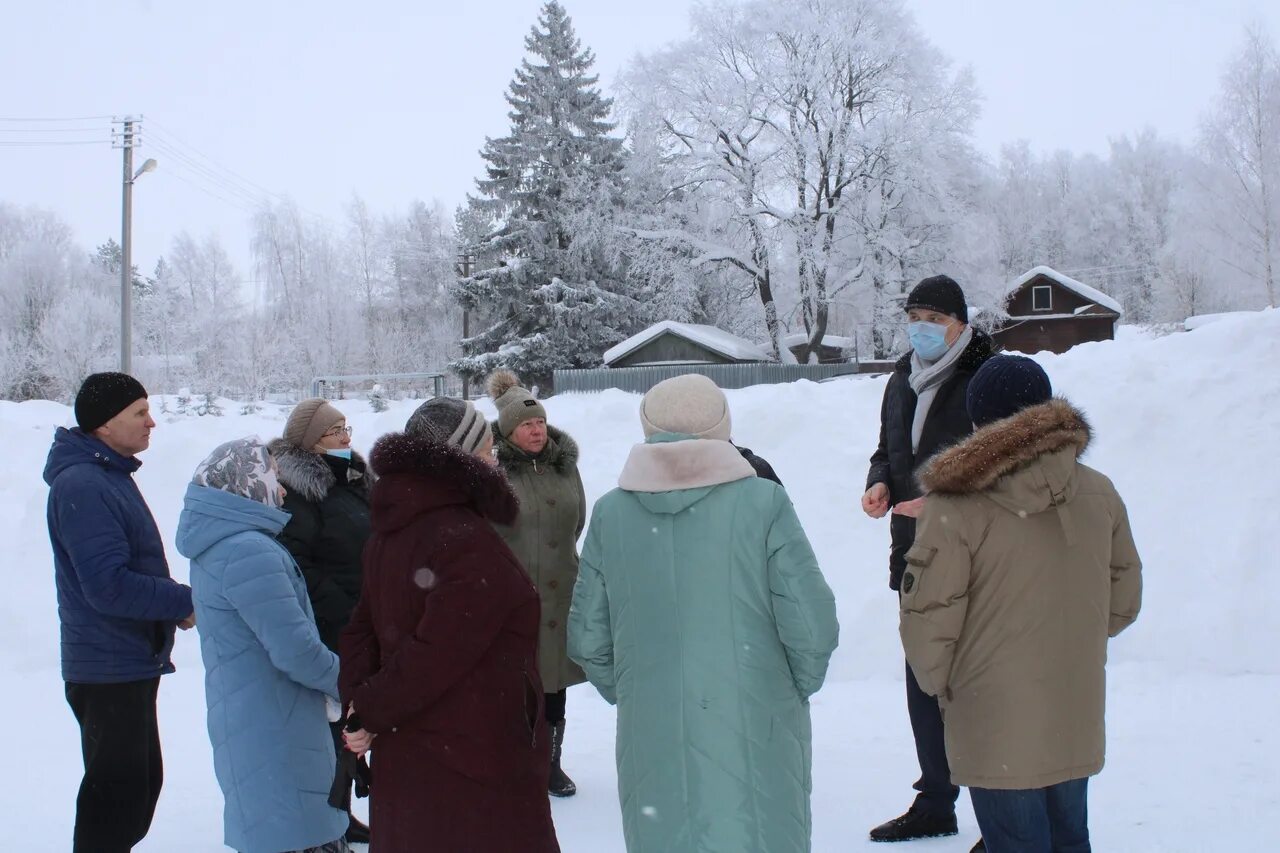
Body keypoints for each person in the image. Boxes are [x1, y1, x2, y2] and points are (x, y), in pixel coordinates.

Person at [569, 374, 839, 853]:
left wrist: (636, 690)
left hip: (651, 724)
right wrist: (788, 687)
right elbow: (811, 621)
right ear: (720, 426)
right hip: (758, 717)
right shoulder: (762, 501)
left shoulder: (612, 513)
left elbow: (588, 635)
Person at [900, 355, 1143, 853]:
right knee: (1071, 838)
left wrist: (947, 684)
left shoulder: (955, 507)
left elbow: (929, 620)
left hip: (992, 716)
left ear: (978, 421)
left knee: (1014, 842)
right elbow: (1123, 601)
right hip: (1074, 705)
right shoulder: (1099, 491)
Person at [338, 398, 561, 853]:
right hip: (471, 754)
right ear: (458, 459)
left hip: (414, 755)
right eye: (485, 449)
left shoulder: (392, 530)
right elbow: (437, 652)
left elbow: (361, 629)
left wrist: (361, 702)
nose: (494, 458)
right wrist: (368, 710)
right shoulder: (464, 540)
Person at [861, 275, 994, 844]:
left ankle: (1001, 811)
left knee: (980, 686)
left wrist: (942, 502)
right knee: (922, 680)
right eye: (915, 315)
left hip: (974, 556)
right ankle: (936, 801)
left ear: (961, 324)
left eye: (935, 318)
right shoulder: (900, 379)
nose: (923, 327)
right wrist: (878, 482)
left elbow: (1007, 464)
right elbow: (889, 449)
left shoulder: (988, 378)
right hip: (913, 553)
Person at [43, 372, 195, 853]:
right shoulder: (85, 485)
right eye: (139, 412)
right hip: (106, 666)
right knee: (117, 801)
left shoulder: (107, 475)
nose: (152, 422)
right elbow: (107, 587)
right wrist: (182, 601)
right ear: (104, 424)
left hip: (126, 660)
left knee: (135, 791)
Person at [176, 438, 349, 853]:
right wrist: (352, 682)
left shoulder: (221, 546)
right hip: (277, 722)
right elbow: (296, 651)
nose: (284, 489)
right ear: (245, 482)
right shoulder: (248, 551)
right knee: (299, 831)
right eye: (273, 475)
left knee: (274, 826)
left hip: (253, 715)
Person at [271, 398, 374, 843]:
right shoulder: (298, 490)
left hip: (360, 618)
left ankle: (342, 806)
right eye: (335, 432)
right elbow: (297, 561)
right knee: (331, 724)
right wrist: (342, 606)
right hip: (331, 622)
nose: (346, 437)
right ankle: (331, 814)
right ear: (312, 442)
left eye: (346, 428)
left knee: (352, 719)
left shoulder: (352, 480)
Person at [487, 370, 587, 797]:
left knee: (554, 683)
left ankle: (549, 764)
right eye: (527, 424)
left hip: (560, 590)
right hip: (512, 596)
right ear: (508, 431)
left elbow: (577, 519)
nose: (536, 429)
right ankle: (513, 761)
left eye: (541, 422)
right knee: (514, 684)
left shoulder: (564, 467)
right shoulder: (494, 471)